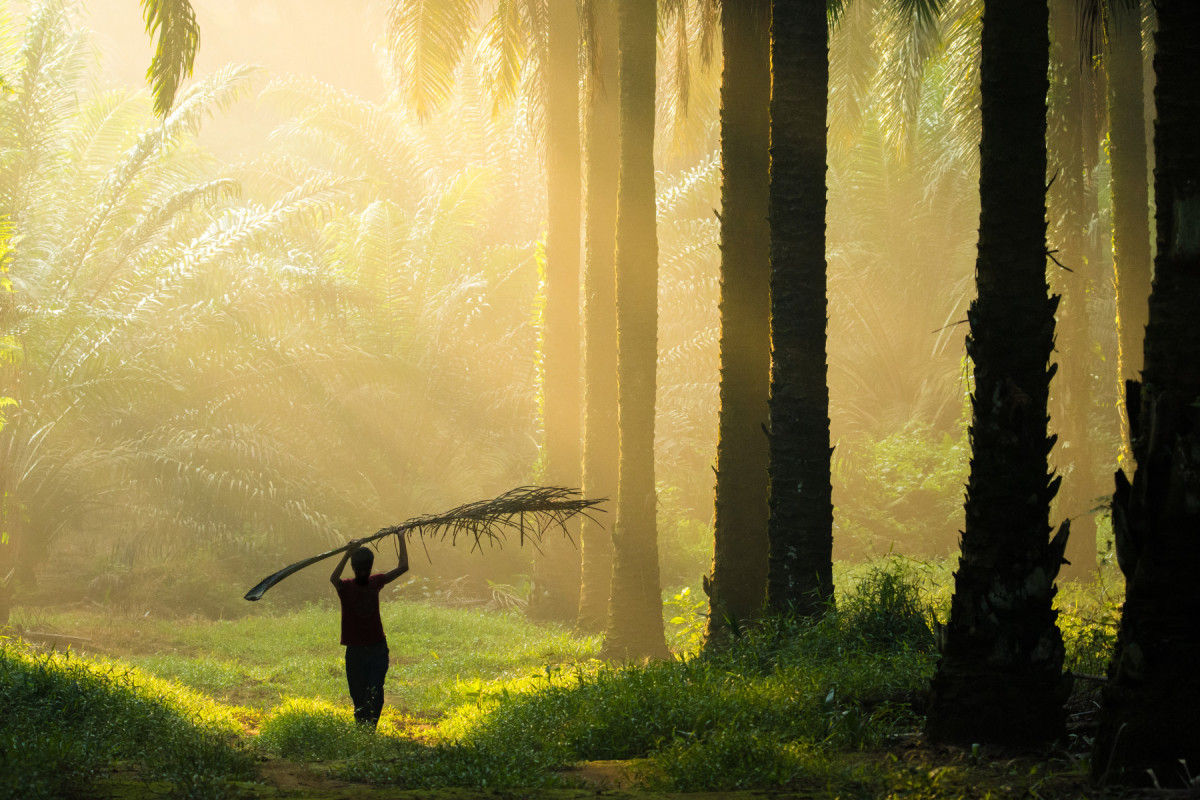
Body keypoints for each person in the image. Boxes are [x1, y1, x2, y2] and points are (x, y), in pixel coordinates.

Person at [329, 536, 408, 728]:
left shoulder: (371, 582)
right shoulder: (348, 587)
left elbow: (403, 566)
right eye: (362, 569)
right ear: (356, 569)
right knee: (358, 693)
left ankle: (370, 728)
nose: (364, 572)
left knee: (375, 690)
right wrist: (348, 552)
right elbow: (333, 579)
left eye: (366, 569)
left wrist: (401, 536)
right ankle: (362, 726)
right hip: (358, 651)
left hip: (376, 649)